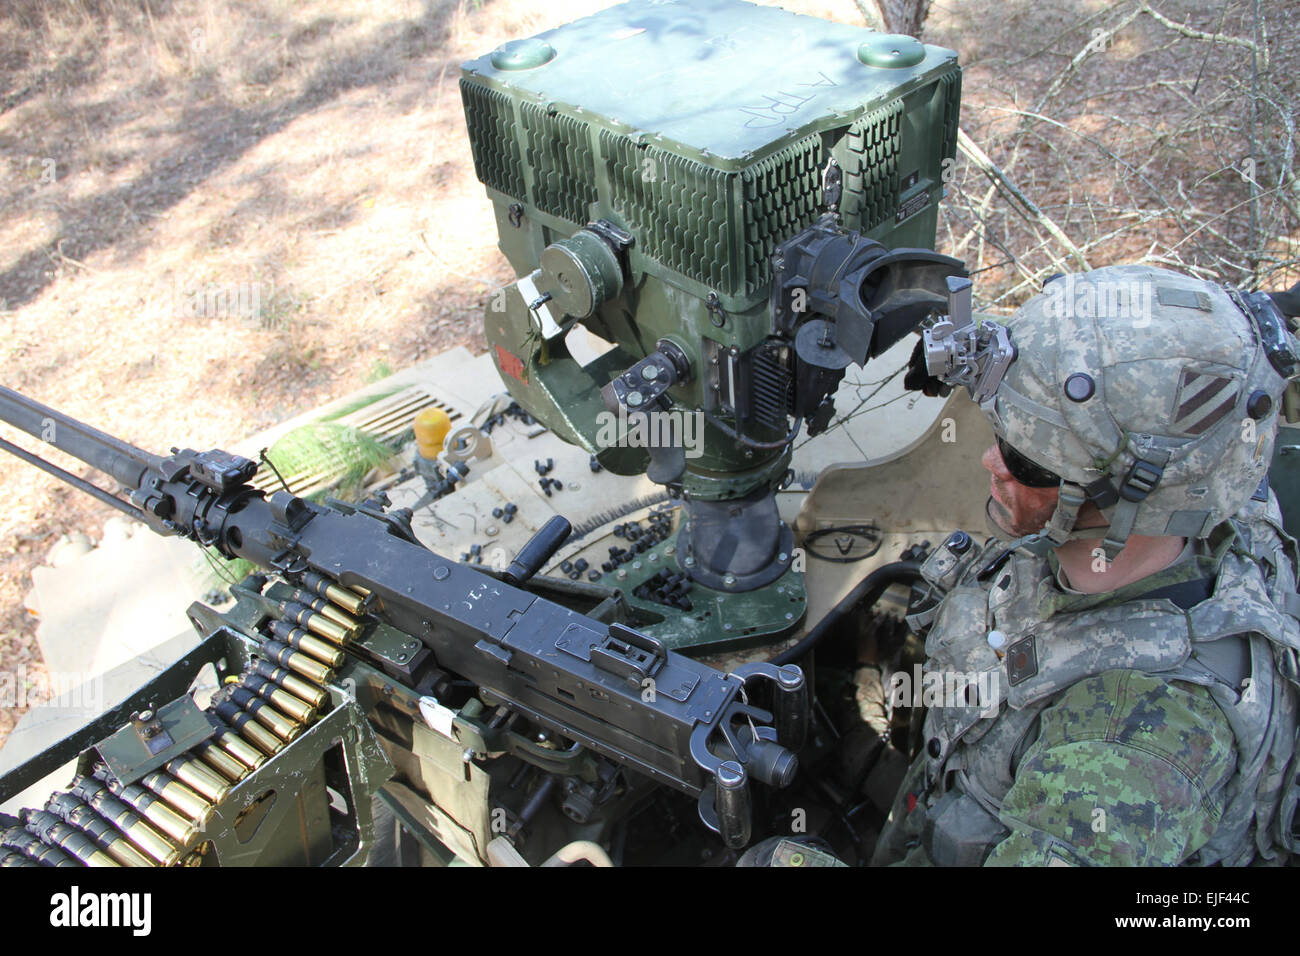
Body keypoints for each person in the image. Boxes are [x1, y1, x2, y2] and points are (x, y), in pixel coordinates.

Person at [871, 264, 1300, 866]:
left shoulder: (1128, 749)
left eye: (1027, 458)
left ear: (1121, 496)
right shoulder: (1211, 470)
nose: (993, 460)